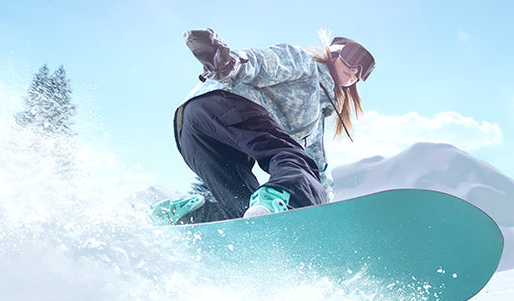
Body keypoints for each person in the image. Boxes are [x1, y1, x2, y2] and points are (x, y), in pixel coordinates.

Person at [149, 28, 375, 225]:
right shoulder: (305, 64)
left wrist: (327, 204)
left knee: (242, 209)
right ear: (333, 53)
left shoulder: (317, 117)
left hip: (193, 130)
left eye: (363, 70)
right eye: (352, 57)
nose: (355, 69)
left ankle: (187, 215)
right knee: (294, 161)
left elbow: (317, 164)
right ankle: (277, 199)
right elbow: (266, 62)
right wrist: (229, 63)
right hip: (225, 104)